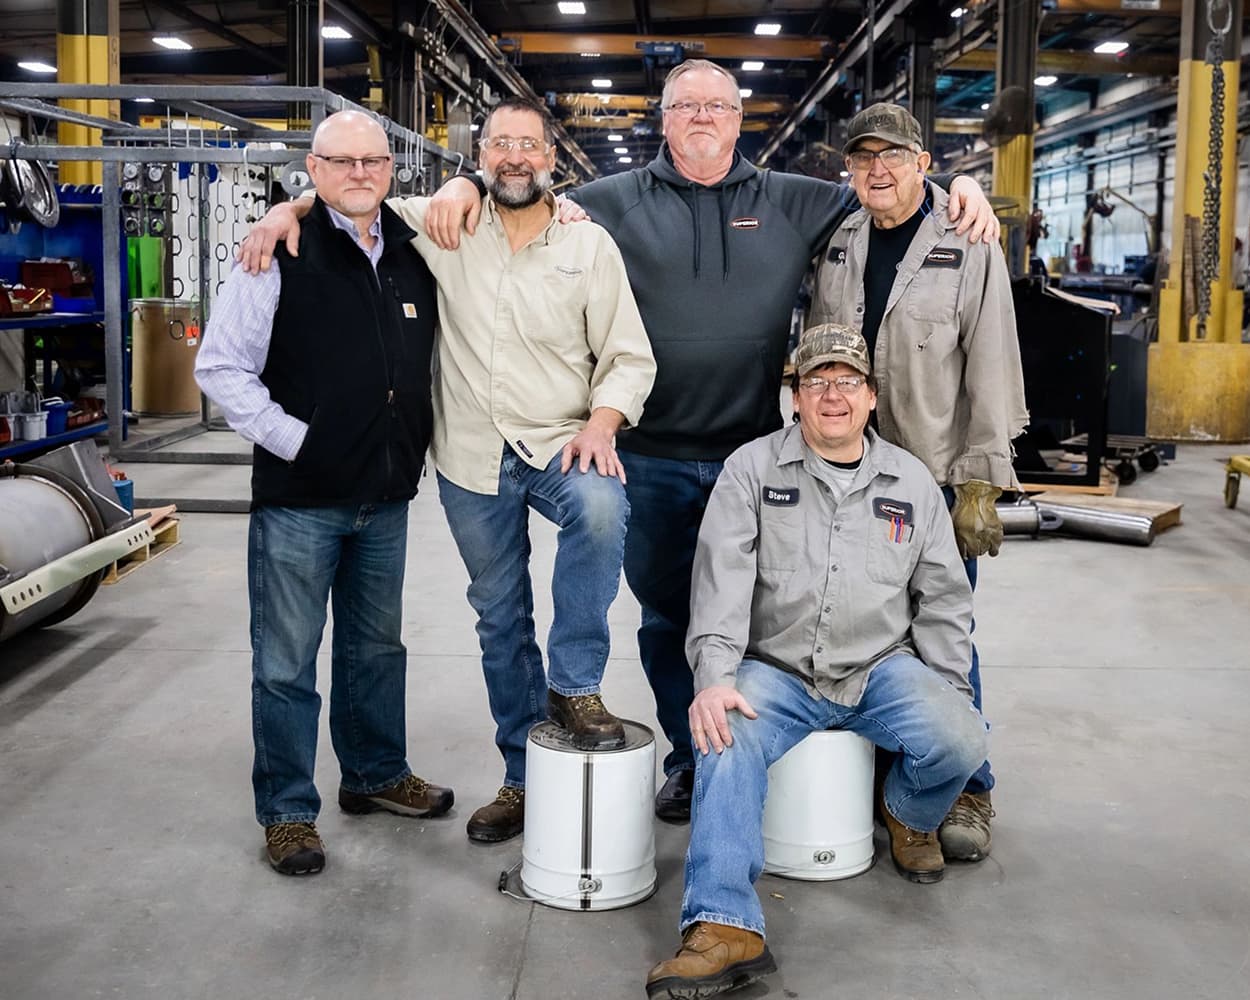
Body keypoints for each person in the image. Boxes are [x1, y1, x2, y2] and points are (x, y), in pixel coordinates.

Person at [419, 60, 1001, 823]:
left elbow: (885, 186)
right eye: (685, 105)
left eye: (716, 106)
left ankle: (768, 756)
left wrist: (959, 184)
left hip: (756, 458)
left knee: (759, 621)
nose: (701, 117)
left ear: (738, 120)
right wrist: (460, 184)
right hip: (650, 455)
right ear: (664, 120)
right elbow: (518, 193)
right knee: (667, 620)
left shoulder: (793, 200)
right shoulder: (607, 202)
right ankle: (692, 759)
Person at [239, 98, 656, 845]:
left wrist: (603, 422)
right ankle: (524, 779)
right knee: (501, 621)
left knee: (600, 510)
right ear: (482, 156)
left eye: (530, 145)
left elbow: (628, 353)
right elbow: (349, 191)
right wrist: (285, 212)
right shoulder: (440, 224)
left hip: (561, 440)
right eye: (501, 145)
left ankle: (575, 685)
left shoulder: (587, 245)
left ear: (551, 159)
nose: (516, 157)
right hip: (469, 455)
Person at [644, 324, 988, 999]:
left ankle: (907, 812)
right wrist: (714, 682)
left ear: (871, 397)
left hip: (877, 669)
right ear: (794, 397)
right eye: (816, 381)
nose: (832, 395)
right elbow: (719, 586)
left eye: (847, 381)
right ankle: (726, 928)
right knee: (721, 731)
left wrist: (948, 692)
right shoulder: (750, 470)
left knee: (963, 737)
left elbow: (944, 599)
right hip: (776, 670)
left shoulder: (912, 483)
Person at [195, 110, 454, 877]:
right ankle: (286, 812)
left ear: (392, 168)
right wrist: (298, 441)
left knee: (376, 649)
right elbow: (220, 368)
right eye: (341, 161)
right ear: (313, 167)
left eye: (374, 160)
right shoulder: (279, 252)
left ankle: (374, 775)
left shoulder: (413, 253)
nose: (360, 173)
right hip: (301, 499)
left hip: (387, 495)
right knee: (285, 661)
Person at [808, 102, 1028, 862]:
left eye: (893, 156)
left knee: (943, 633)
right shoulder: (838, 240)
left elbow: (994, 369)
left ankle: (970, 785)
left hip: (932, 478)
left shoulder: (967, 242)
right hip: (846, 473)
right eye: (864, 157)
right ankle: (897, 780)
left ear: (924, 163)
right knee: (862, 626)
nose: (877, 169)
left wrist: (979, 486)